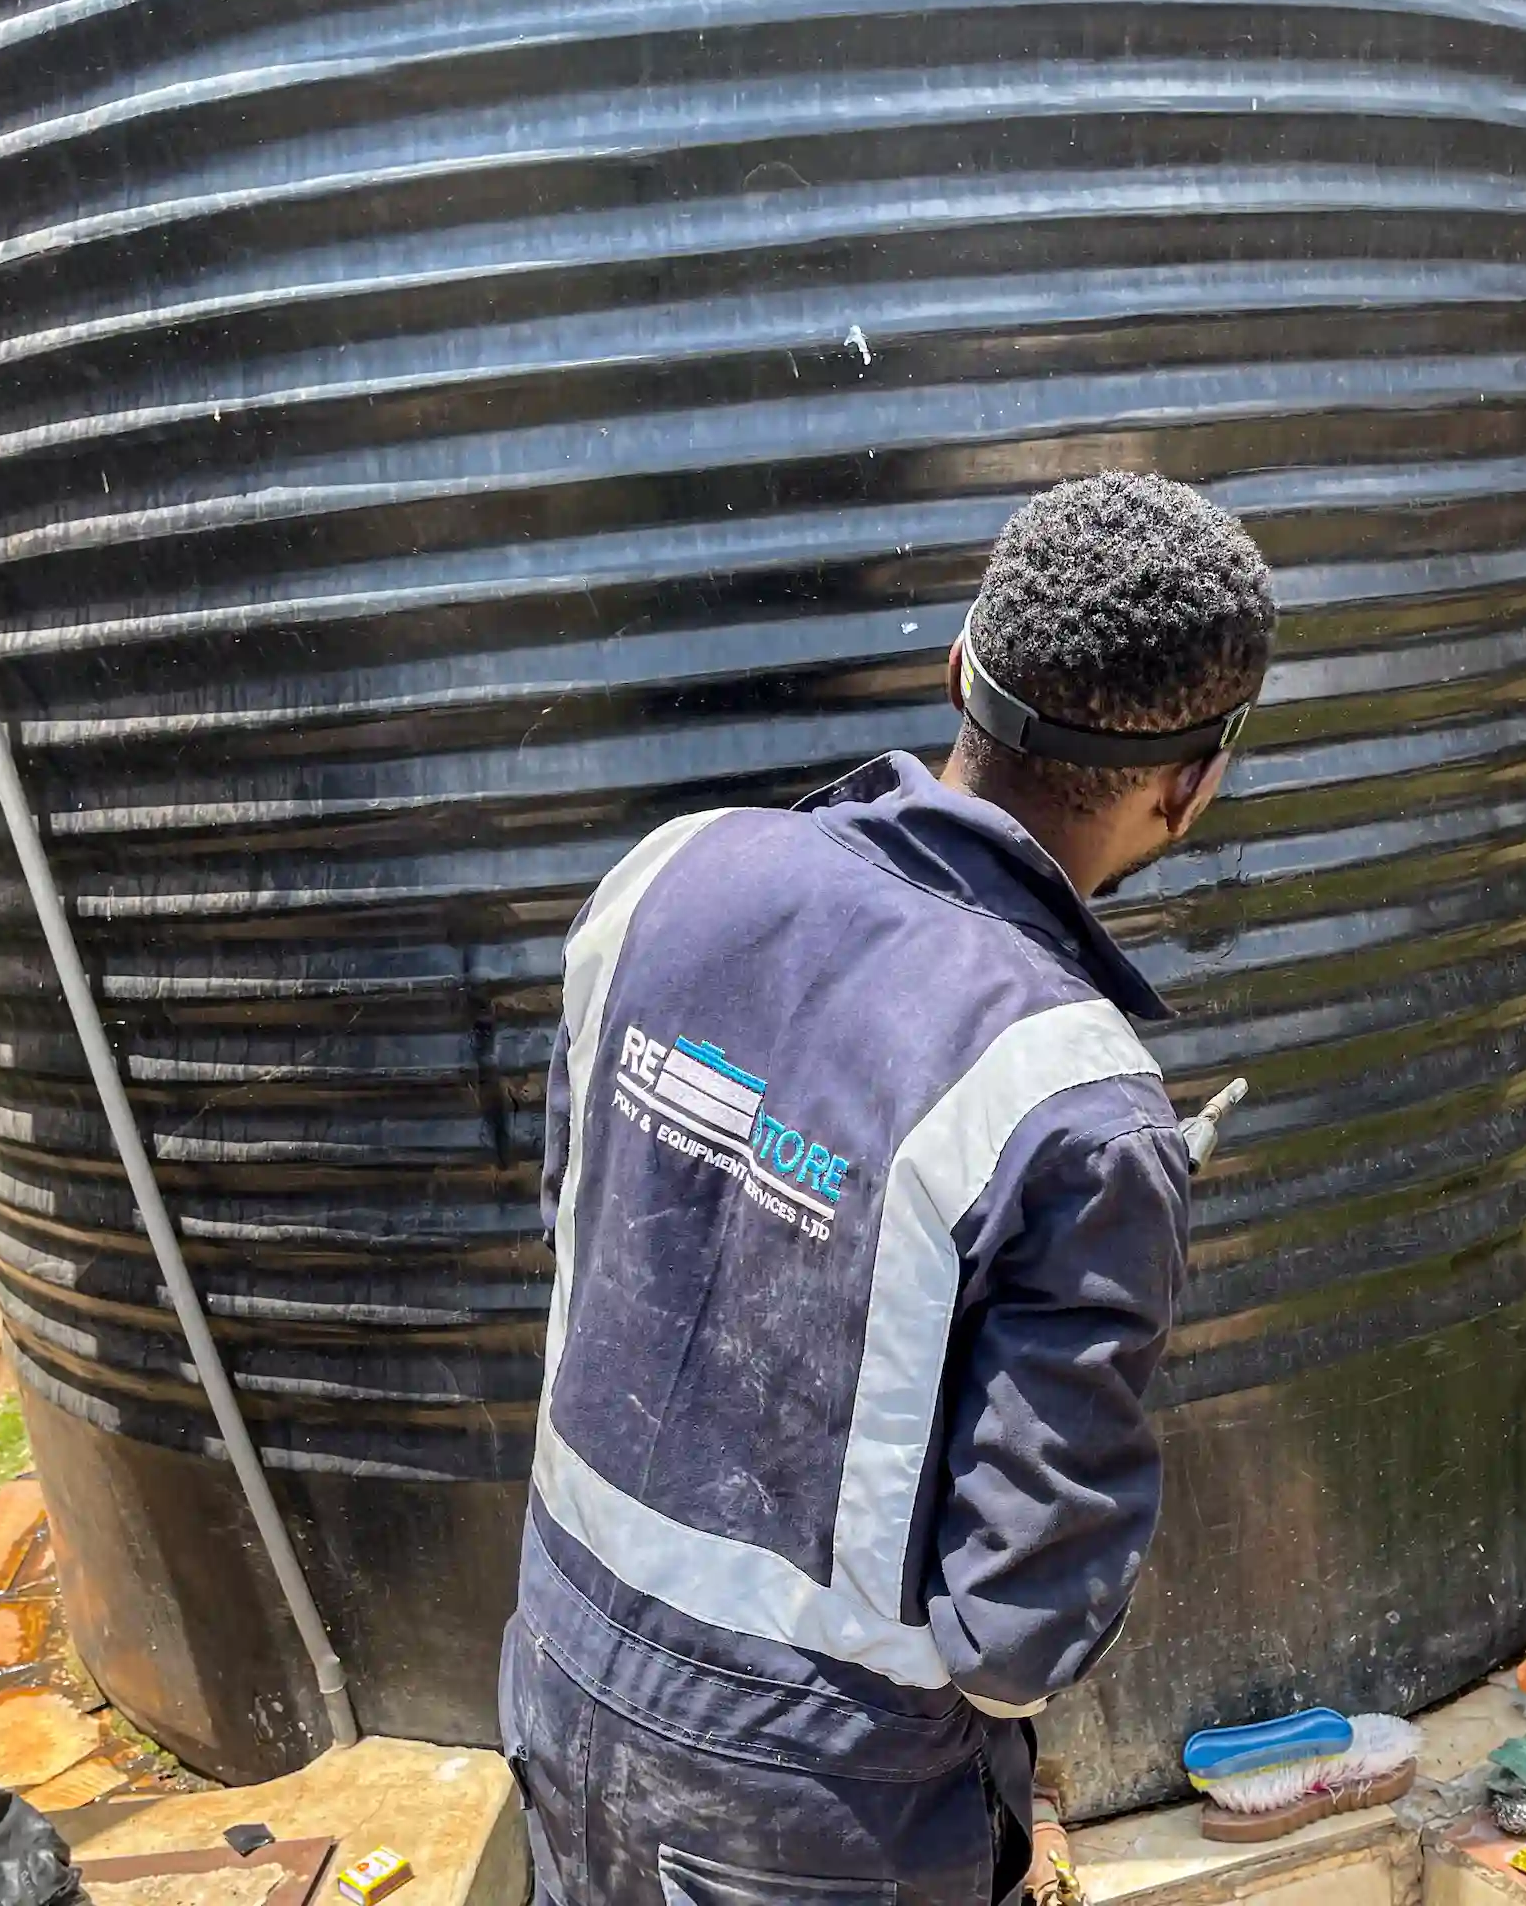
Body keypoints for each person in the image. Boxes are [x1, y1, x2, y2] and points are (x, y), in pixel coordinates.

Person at [501, 472, 1278, 1905]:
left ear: (959, 672)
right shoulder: (1072, 1104)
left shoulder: (665, 876)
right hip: (810, 1813)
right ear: (1192, 781)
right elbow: (1017, 1634)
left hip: (556, 1671)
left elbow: (589, 1225)